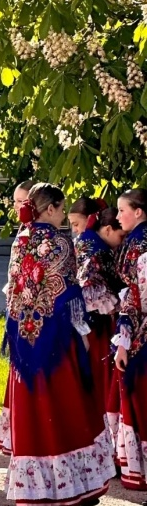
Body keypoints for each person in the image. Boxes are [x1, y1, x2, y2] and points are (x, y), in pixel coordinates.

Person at [5, 183, 115, 506]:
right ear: (50, 208)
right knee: (66, 407)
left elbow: (14, 290)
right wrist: (82, 332)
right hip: (56, 340)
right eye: (62, 207)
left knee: (34, 411)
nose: (64, 214)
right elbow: (69, 296)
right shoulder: (60, 242)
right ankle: (67, 488)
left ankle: (35, 491)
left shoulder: (20, 239)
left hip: (24, 336)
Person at [71, 200, 124, 454]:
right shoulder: (97, 250)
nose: (122, 239)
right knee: (100, 381)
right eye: (120, 234)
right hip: (96, 326)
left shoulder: (87, 241)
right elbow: (106, 291)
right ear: (107, 230)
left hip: (85, 324)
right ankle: (101, 445)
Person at [0, 178, 36, 455]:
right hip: (18, 316)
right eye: (15, 202)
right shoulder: (22, 233)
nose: (17, 207)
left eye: (22, 202)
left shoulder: (35, 236)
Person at [113, 188, 147, 489]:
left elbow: (133, 300)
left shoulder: (138, 245)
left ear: (138, 212)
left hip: (141, 336)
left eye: (123, 209)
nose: (118, 215)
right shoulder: (134, 241)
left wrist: (123, 342)